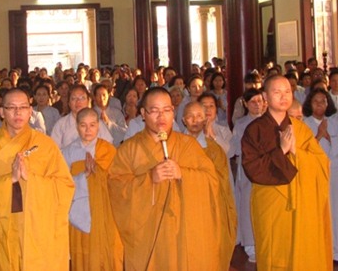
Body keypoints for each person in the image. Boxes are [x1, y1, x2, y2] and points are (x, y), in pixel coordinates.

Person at [108, 87, 222, 270]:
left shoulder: (189, 145)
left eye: (167, 110)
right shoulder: (128, 149)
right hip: (148, 236)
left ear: (173, 112)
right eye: (154, 110)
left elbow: (212, 181)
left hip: (183, 234)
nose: (161, 116)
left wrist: (183, 174)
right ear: (143, 113)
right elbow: (116, 188)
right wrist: (149, 179)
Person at [0, 88, 75, 270]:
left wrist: (31, 179)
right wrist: (10, 179)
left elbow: (65, 186)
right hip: (2, 223)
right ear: (2, 112)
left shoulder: (45, 145)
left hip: (36, 225)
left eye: (23, 107)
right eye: (11, 107)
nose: (18, 113)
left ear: (30, 111)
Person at [241, 75, 331, 271]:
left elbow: (321, 163)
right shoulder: (254, 130)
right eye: (277, 92)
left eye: (287, 91)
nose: (283, 96)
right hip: (271, 204)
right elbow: (252, 168)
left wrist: (296, 152)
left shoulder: (301, 129)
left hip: (301, 203)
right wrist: (281, 151)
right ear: (265, 97)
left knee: (301, 253)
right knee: (274, 253)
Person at [61, 108, 123, 270]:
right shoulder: (67, 153)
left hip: (105, 213)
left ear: (98, 126)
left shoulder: (109, 151)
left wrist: (100, 174)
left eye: (92, 125)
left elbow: (119, 183)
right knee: (83, 258)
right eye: (83, 125)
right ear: (77, 126)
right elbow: (61, 186)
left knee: (107, 255)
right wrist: (85, 177)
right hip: (78, 216)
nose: (88, 130)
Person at [182, 101, 237, 271]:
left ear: (205, 119)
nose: (195, 120)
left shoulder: (214, 149)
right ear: (183, 120)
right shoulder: (173, 146)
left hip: (208, 208)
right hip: (182, 209)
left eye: (199, 116)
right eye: (190, 116)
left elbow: (221, 183)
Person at [302, 88, 338, 265]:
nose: (320, 105)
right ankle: (317, 250)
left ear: (328, 103)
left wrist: (329, 138)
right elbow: (302, 150)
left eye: (323, 101)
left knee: (335, 211)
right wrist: (319, 135)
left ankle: (336, 251)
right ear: (310, 104)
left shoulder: (336, 123)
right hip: (312, 174)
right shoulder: (304, 124)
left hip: (333, 172)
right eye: (316, 101)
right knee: (316, 212)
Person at [231, 88, 264, 263]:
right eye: (253, 102)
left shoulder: (270, 120)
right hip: (247, 169)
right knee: (247, 206)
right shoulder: (240, 124)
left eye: (259, 101)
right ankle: (251, 245)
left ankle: (266, 243)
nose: (257, 105)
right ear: (245, 104)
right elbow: (236, 148)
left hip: (266, 170)